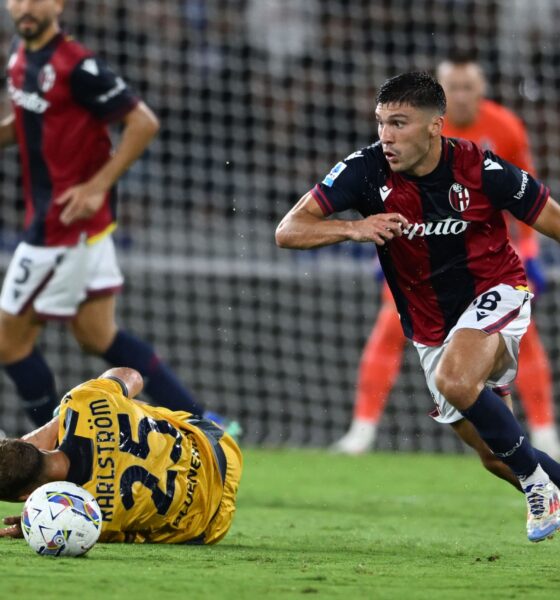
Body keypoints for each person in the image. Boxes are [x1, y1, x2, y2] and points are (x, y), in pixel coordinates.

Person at [275, 71, 560, 542]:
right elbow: (288, 230)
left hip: (496, 291)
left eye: (400, 123)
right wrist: (353, 228)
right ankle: (540, 479)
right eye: (381, 122)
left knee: (456, 378)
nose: (386, 135)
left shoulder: (483, 170)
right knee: (495, 453)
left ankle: (536, 486)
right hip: (429, 327)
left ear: (435, 126)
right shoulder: (363, 171)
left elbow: (551, 218)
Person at [0, 0, 237, 433]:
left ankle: (49, 453)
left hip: (61, 226)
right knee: (97, 336)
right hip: (80, 227)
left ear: (58, 5)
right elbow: (27, 119)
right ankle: (206, 424)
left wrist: (96, 186)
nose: (25, 7)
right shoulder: (21, 53)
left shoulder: (78, 65)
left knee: (8, 343)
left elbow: (142, 122)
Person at [333, 53, 560, 458]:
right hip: (418, 255)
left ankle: (544, 432)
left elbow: (526, 196)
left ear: (482, 89)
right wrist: (373, 238)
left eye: (467, 87)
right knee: (390, 327)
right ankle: (362, 430)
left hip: (486, 256)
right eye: (452, 87)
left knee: (526, 335)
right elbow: (382, 191)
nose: (460, 95)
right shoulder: (412, 127)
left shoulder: (504, 127)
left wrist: (529, 250)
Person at [0, 366, 242, 544]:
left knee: (147, 527)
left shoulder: (92, 516)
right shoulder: (83, 400)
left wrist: (41, 520)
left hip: (212, 522)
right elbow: (133, 376)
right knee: (117, 403)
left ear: (27, 495)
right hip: (218, 446)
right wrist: (59, 418)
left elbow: (136, 535)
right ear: (36, 447)